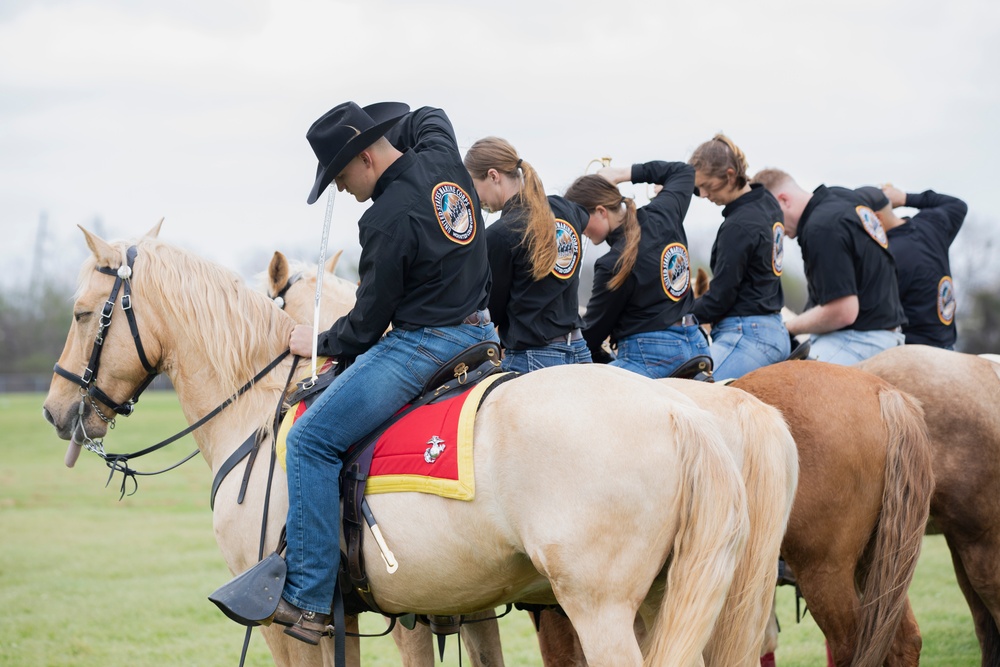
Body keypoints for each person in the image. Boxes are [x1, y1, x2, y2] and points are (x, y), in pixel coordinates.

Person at [254, 102, 498, 644]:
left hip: (424, 346)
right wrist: (376, 126)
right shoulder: (442, 153)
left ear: (366, 157)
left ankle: (310, 597)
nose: (341, 190)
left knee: (311, 440)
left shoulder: (383, 220)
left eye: (341, 176)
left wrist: (314, 341)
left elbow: (366, 327)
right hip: (485, 334)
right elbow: (426, 113)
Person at [565, 160, 708, 378]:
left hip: (650, 357)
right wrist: (621, 174)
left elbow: (592, 336)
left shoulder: (611, 263)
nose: (579, 230)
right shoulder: (664, 213)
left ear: (601, 211)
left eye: (580, 220)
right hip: (696, 344)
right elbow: (683, 171)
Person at [463, 137, 591, 372]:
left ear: (493, 176)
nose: (475, 196)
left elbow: (494, 310)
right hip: (580, 350)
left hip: (535, 357)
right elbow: (584, 215)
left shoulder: (501, 233)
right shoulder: (566, 209)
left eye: (473, 185)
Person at [752, 169, 905, 365]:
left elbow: (843, 311)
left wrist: (785, 327)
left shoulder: (821, 227)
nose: (774, 226)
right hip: (885, 333)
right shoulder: (841, 197)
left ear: (784, 200)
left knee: (783, 389)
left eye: (772, 216)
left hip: (859, 340)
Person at [688, 134, 789, 378]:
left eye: (708, 186)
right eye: (697, 187)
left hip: (747, 334)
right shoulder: (767, 202)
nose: (702, 194)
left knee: (688, 393)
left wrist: (676, 315)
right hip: (776, 328)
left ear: (730, 175)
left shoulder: (739, 225)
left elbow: (720, 298)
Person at [852, 184, 967, 349]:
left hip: (911, 356)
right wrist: (905, 198)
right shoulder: (932, 226)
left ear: (877, 218)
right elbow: (957, 205)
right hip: (948, 348)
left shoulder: (883, 256)